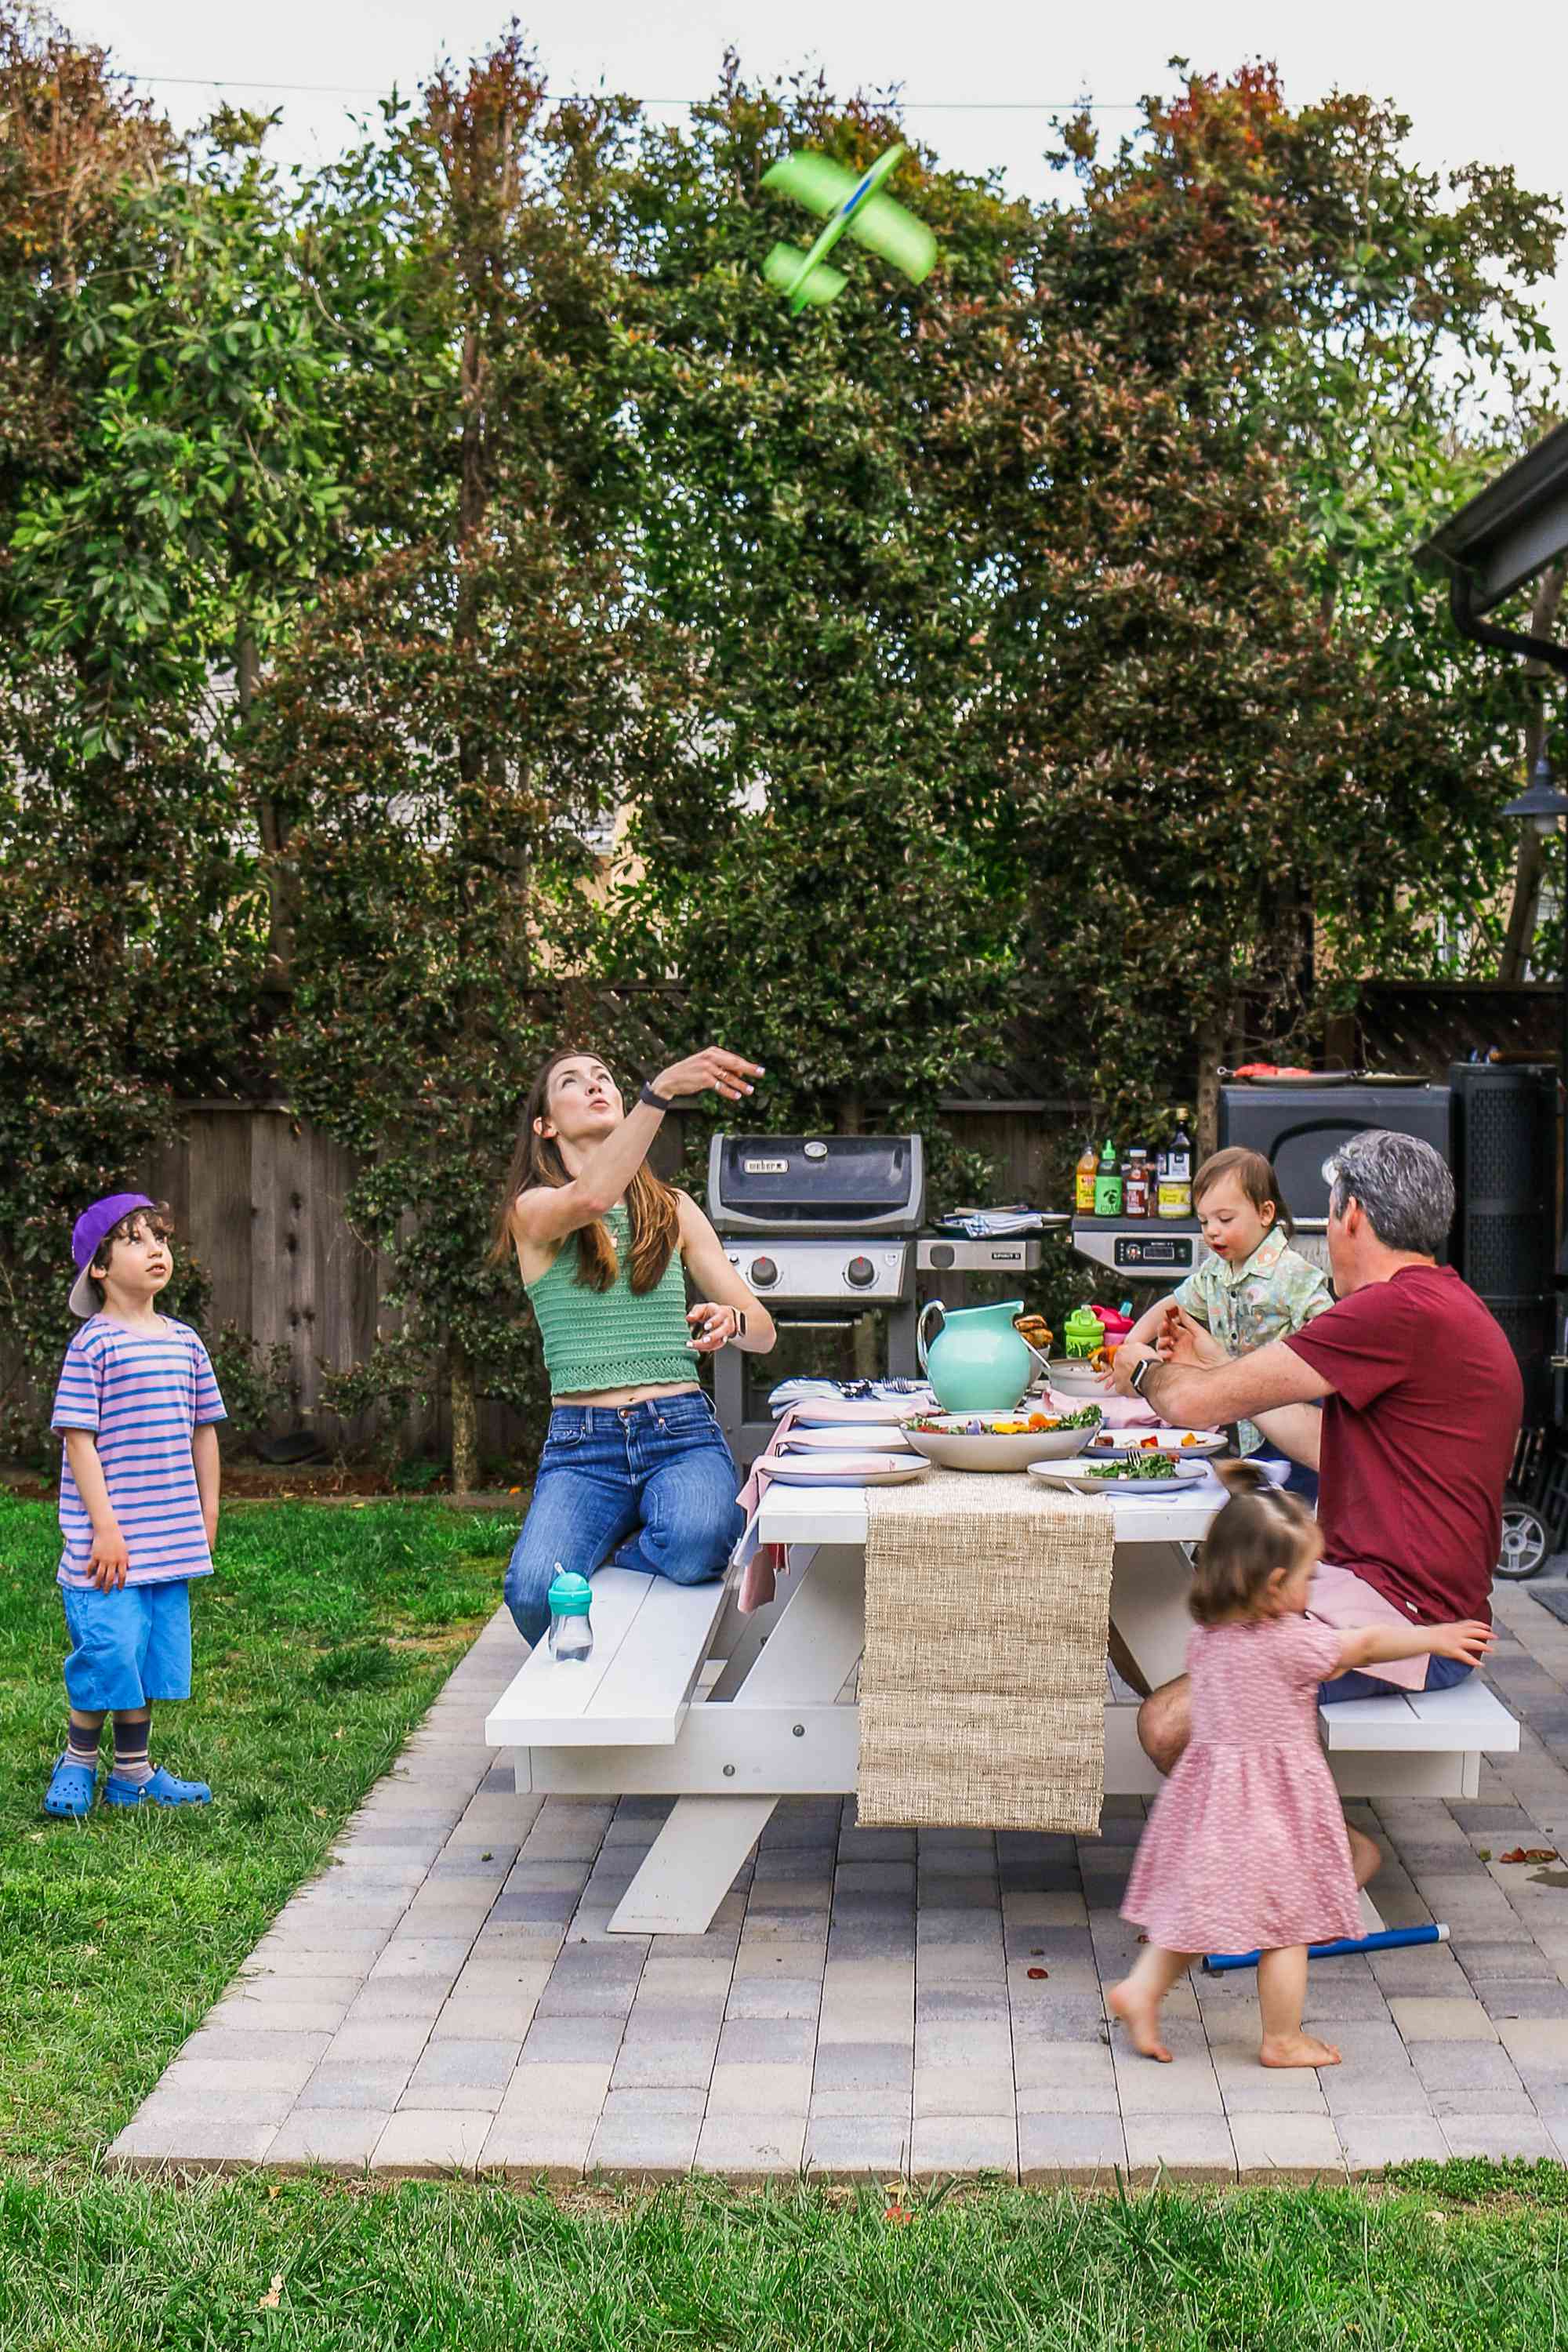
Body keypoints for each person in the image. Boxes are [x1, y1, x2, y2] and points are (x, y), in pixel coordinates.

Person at [1112, 1129, 1523, 1889]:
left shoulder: (1389, 1315)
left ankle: (1332, 1853)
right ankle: (1264, 1812)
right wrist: (1224, 1367)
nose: (1326, 1234)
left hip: (1405, 1623)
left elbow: (1191, 1402)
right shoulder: (1437, 1308)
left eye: (1330, 1217)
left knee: (1167, 1722)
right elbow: (1326, 1448)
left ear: (1352, 1217)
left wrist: (1136, 1364)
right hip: (1379, 1592)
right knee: (1137, 1617)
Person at [1110, 1462, 1493, 2069]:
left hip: (1209, 1797)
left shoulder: (1209, 1637)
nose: (1315, 1587)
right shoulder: (1293, 1642)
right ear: (1276, 1585)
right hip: (1272, 1804)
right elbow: (1362, 1646)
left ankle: (1141, 1989)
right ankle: (1281, 2038)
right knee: (1290, 1923)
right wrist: (1433, 1636)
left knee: (1195, 1909)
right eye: (1310, 1576)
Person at [495, 1044, 776, 1646]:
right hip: (582, 1445)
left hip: (678, 1432)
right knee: (530, 1598)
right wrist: (664, 1089)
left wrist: (732, 1318)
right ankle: (623, 1539)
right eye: (572, 1082)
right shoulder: (533, 1212)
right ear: (545, 1125)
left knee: (701, 1541)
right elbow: (591, 1198)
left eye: (604, 1079)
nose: (595, 1086)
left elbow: (764, 1329)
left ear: (623, 1108)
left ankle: (618, 1551)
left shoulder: (673, 1209)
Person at [44, 1194, 226, 1818]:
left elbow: (205, 1431)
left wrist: (208, 1513)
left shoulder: (185, 1343)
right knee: (108, 1651)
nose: (156, 1249)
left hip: (168, 1539)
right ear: (99, 1267)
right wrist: (104, 1529)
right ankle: (76, 1761)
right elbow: (79, 1441)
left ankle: (133, 1776)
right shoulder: (93, 1346)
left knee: (146, 1659)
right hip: (111, 1545)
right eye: (135, 1239)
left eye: (161, 1239)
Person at [1116, 1147, 1332, 1477]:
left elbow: (1330, 1334)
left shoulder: (1292, 1273)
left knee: (1294, 1502)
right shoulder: (1215, 1272)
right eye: (1204, 1221)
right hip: (1233, 1416)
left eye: (1225, 1219)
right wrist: (1132, 1345)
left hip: (1289, 1416)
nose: (1212, 1230)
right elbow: (1173, 1303)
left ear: (1265, 1213)